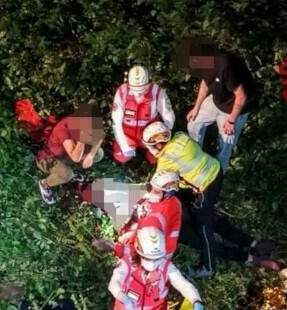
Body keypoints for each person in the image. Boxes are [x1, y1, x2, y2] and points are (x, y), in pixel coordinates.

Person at [142, 121, 222, 278]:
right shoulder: (180, 136)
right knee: (197, 209)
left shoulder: (166, 162)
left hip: (205, 186)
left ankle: (209, 267)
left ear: (157, 145)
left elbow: (157, 184)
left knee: (204, 227)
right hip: (216, 170)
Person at [182, 41, 258, 172]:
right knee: (193, 122)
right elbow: (205, 84)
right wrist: (196, 107)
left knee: (226, 142)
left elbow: (241, 96)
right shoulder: (204, 66)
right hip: (216, 101)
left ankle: (217, 175)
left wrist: (231, 121)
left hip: (234, 109)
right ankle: (195, 159)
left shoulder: (225, 66)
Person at [36, 104, 105, 204]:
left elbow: (100, 137)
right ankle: (45, 184)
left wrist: (90, 155)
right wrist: (82, 139)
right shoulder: (63, 129)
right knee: (67, 174)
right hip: (49, 159)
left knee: (98, 153)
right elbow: (76, 157)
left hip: (65, 154)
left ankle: (72, 169)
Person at [111, 65, 175, 165]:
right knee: (121, 156)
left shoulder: (157, 92)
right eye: (134, 89)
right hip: (128, 134)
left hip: (151, 134)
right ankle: (130, 154)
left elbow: (168, 116)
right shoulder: (122, 92)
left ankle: (150, 157)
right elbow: (116, 122)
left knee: (158, 157)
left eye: (142, 89)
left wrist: (163, 135)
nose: (138, 94)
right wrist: (124, 145)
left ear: (148, 82)